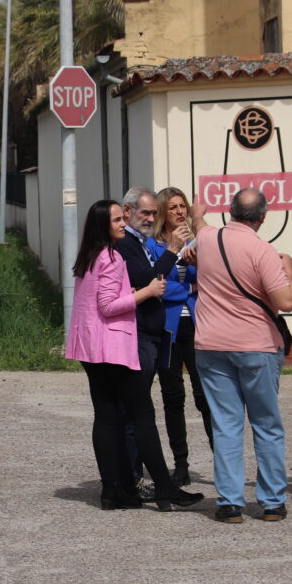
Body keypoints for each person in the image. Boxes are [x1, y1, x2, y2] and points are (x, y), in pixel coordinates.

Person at [65, 199, 204, 512]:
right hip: (112, 345)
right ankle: (164, 487)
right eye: (115, 220)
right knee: (142, 415)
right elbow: (108, 306)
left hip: (90, 347)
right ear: (103, 225)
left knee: (107, 416)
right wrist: (147, 292)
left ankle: (112, 491)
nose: (121, 224)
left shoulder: (87, 256)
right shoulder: (111, 257)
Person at [190, 188, 292, 523]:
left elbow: (199, 223)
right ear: (263, 217)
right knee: (266, 423)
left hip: (211, 344)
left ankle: (230, 502)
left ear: (230, 212)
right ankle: (272, 501)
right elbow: (285, 303)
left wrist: (197, 209)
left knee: (225, 424)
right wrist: (289, 271)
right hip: (255, 344)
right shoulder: (263, 250)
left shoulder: (207, 238)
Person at [115, 187, 184, 493]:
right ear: (128, 212)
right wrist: (171, 251)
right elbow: (149, 282)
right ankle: (133, 478)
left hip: (154, 335)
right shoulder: (126, 245)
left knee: (145, 408)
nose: (151, 218)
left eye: (154, 213)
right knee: (135, 411)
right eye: (145, 212)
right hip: (139, 335)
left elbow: (163, 283)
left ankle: (141, 475)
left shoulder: (140, 242)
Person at [148, 187, 213, 486]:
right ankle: (181, 465)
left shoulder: (199, 241)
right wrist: (187, 289)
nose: (179, 212)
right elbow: (153, 285)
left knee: (206, 396)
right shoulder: (153, 246)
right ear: (162, 212)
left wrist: (198, 265)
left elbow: (213, 277)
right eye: (172, 207)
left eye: (182, 206)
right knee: (173, 397)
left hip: (199, 325)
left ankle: (222, 461)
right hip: (169, 328)